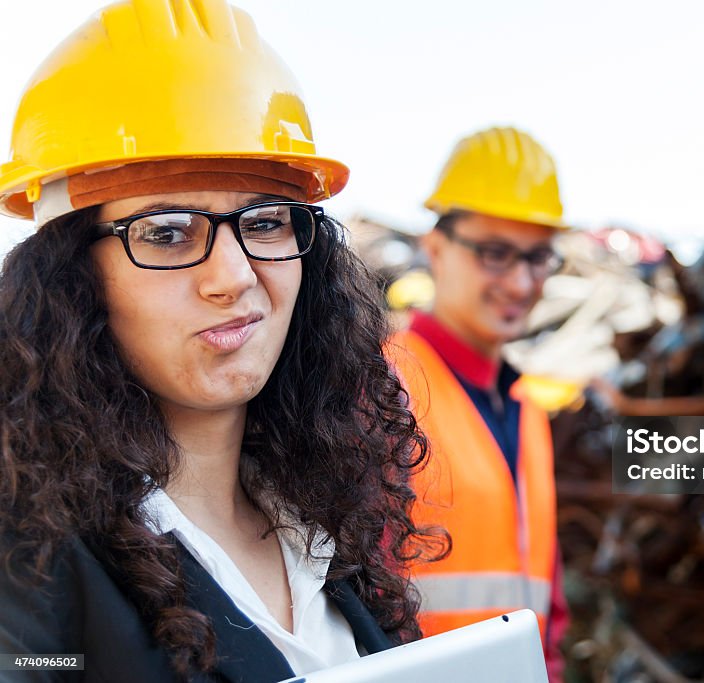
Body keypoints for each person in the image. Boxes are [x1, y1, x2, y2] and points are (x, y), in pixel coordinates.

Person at [0, 1, 445, 681]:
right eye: (168, 232)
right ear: (70, 277)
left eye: (266, 221)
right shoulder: (25, 566)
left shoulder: (324, 527)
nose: (235, 277)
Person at [386, 126, 569, 680]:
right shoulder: (385, 383)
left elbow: (547, 600)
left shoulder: (528, 407)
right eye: (494, 253)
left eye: (538, 258)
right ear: (435, 248)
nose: (520, 282)